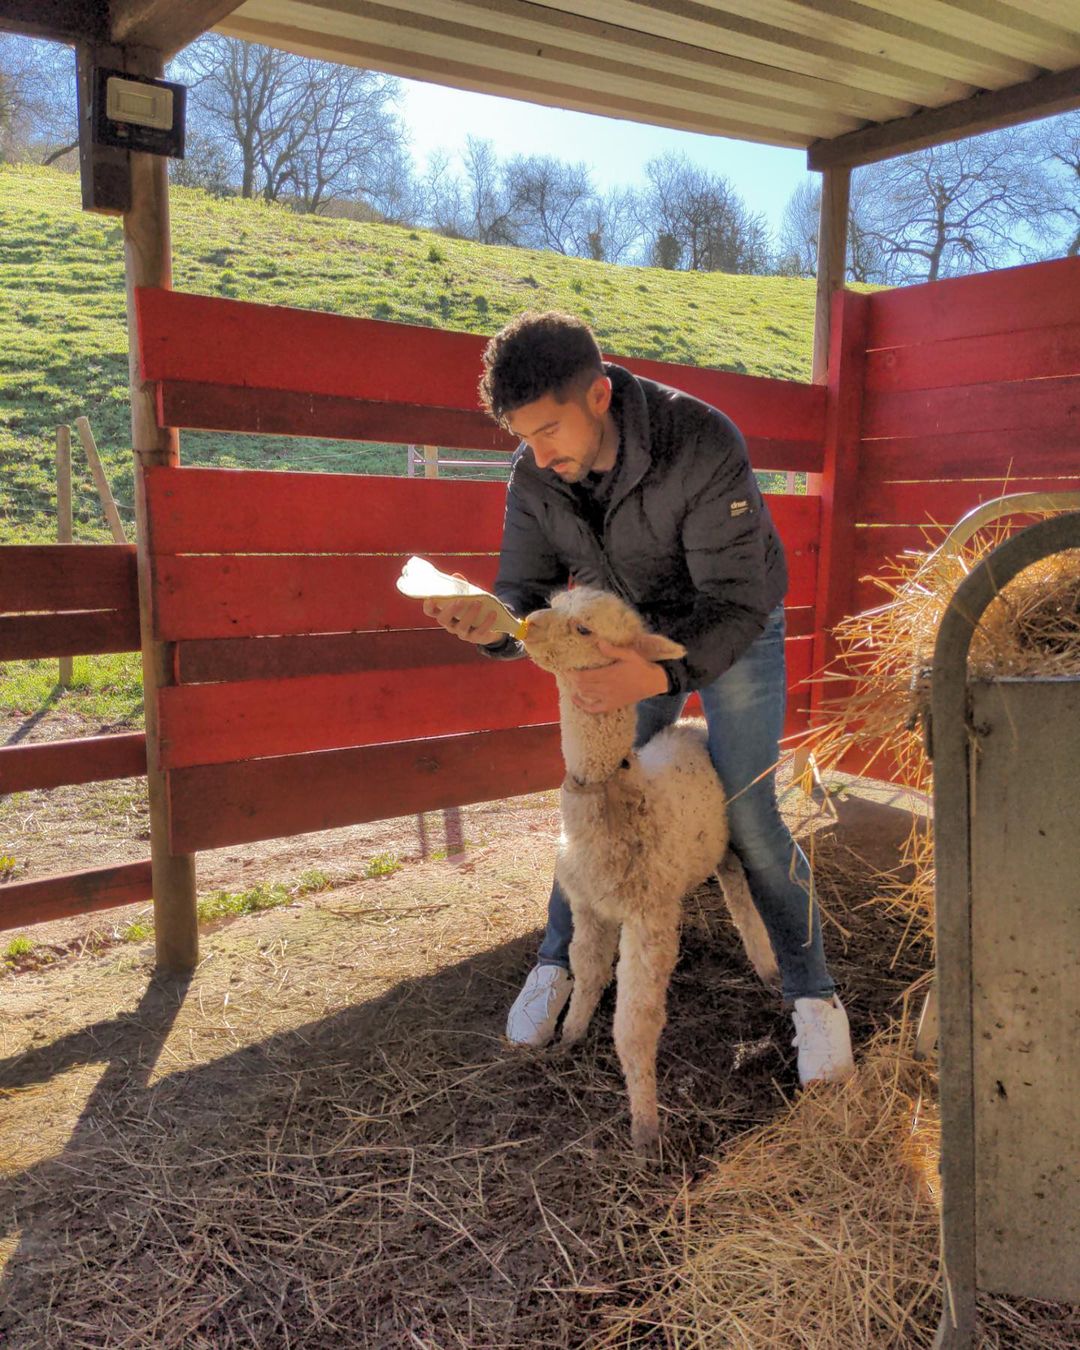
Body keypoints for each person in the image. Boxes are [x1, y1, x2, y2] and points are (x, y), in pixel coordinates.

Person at [424, 311, 854, 1085]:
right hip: (623, 631)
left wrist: (654, 675)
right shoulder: (536, 474)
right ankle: (557, 964)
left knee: (750, 811)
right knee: (598, 794)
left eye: (549, 428)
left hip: (733, 623)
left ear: (598, 395)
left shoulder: (701, 439)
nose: (540, 452)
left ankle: (813, 994)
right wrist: (490, 624)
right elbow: (521, 595)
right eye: (525, 437)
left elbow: (736, 601)